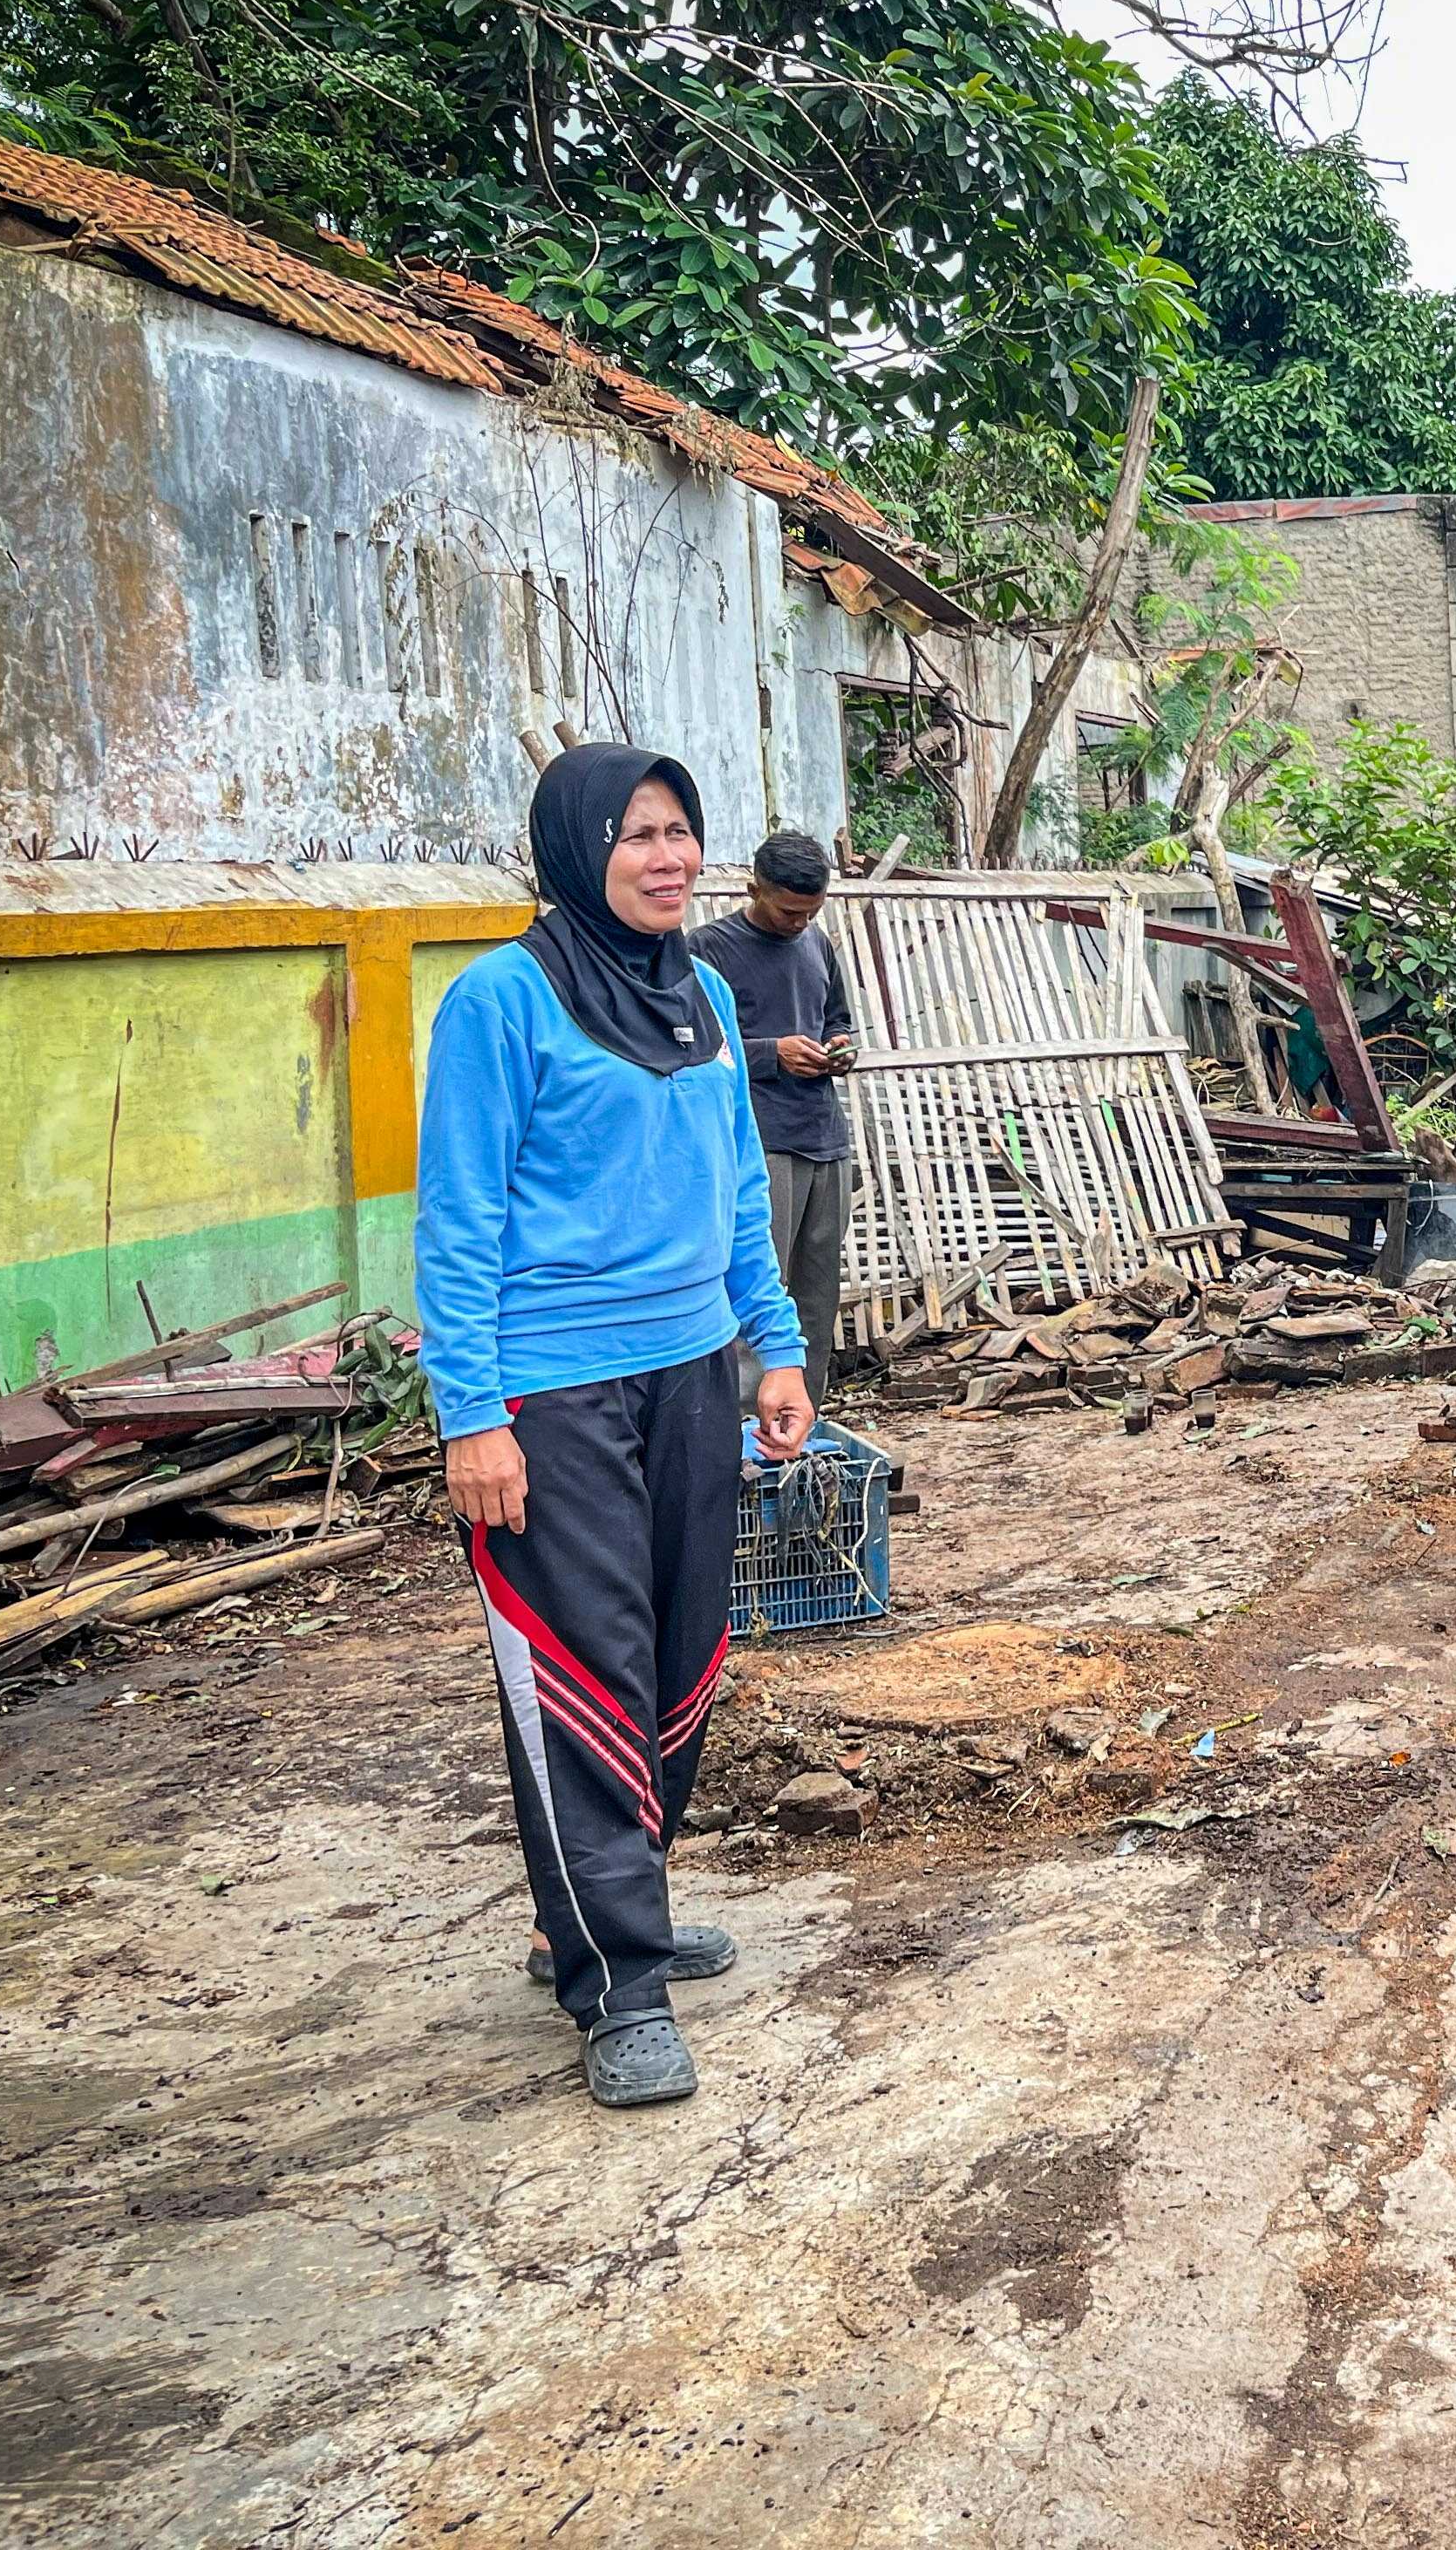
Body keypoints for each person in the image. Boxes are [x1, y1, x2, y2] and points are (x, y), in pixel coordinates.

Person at [417, 745, 814, 2112]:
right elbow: (459, 1221)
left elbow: (739, 1187)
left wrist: (776, 1345)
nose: (666, 856)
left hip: (696, 1370)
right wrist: (474, 1415)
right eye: (636, 834)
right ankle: (619, 1986)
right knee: (586, 1672)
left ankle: (585, 1918)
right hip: (550, 1397)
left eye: (681, 831)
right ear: (576, 850)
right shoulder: (500, 1003)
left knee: (680, 1654)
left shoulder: (701, 994)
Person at [693, 831, 858, 1408]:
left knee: (816, 1298)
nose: (799, 922)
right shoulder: (707, 950)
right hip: (759, 1144)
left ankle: (801, 1422)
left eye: (811, 912)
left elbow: (837, 1016)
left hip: (824, 1137)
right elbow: (691, 1047)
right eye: (788, 910)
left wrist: (841, 1045)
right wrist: (771, 1053)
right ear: (753, 889)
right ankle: (741, 1431)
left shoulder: (819, 944)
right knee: (758, 1291)